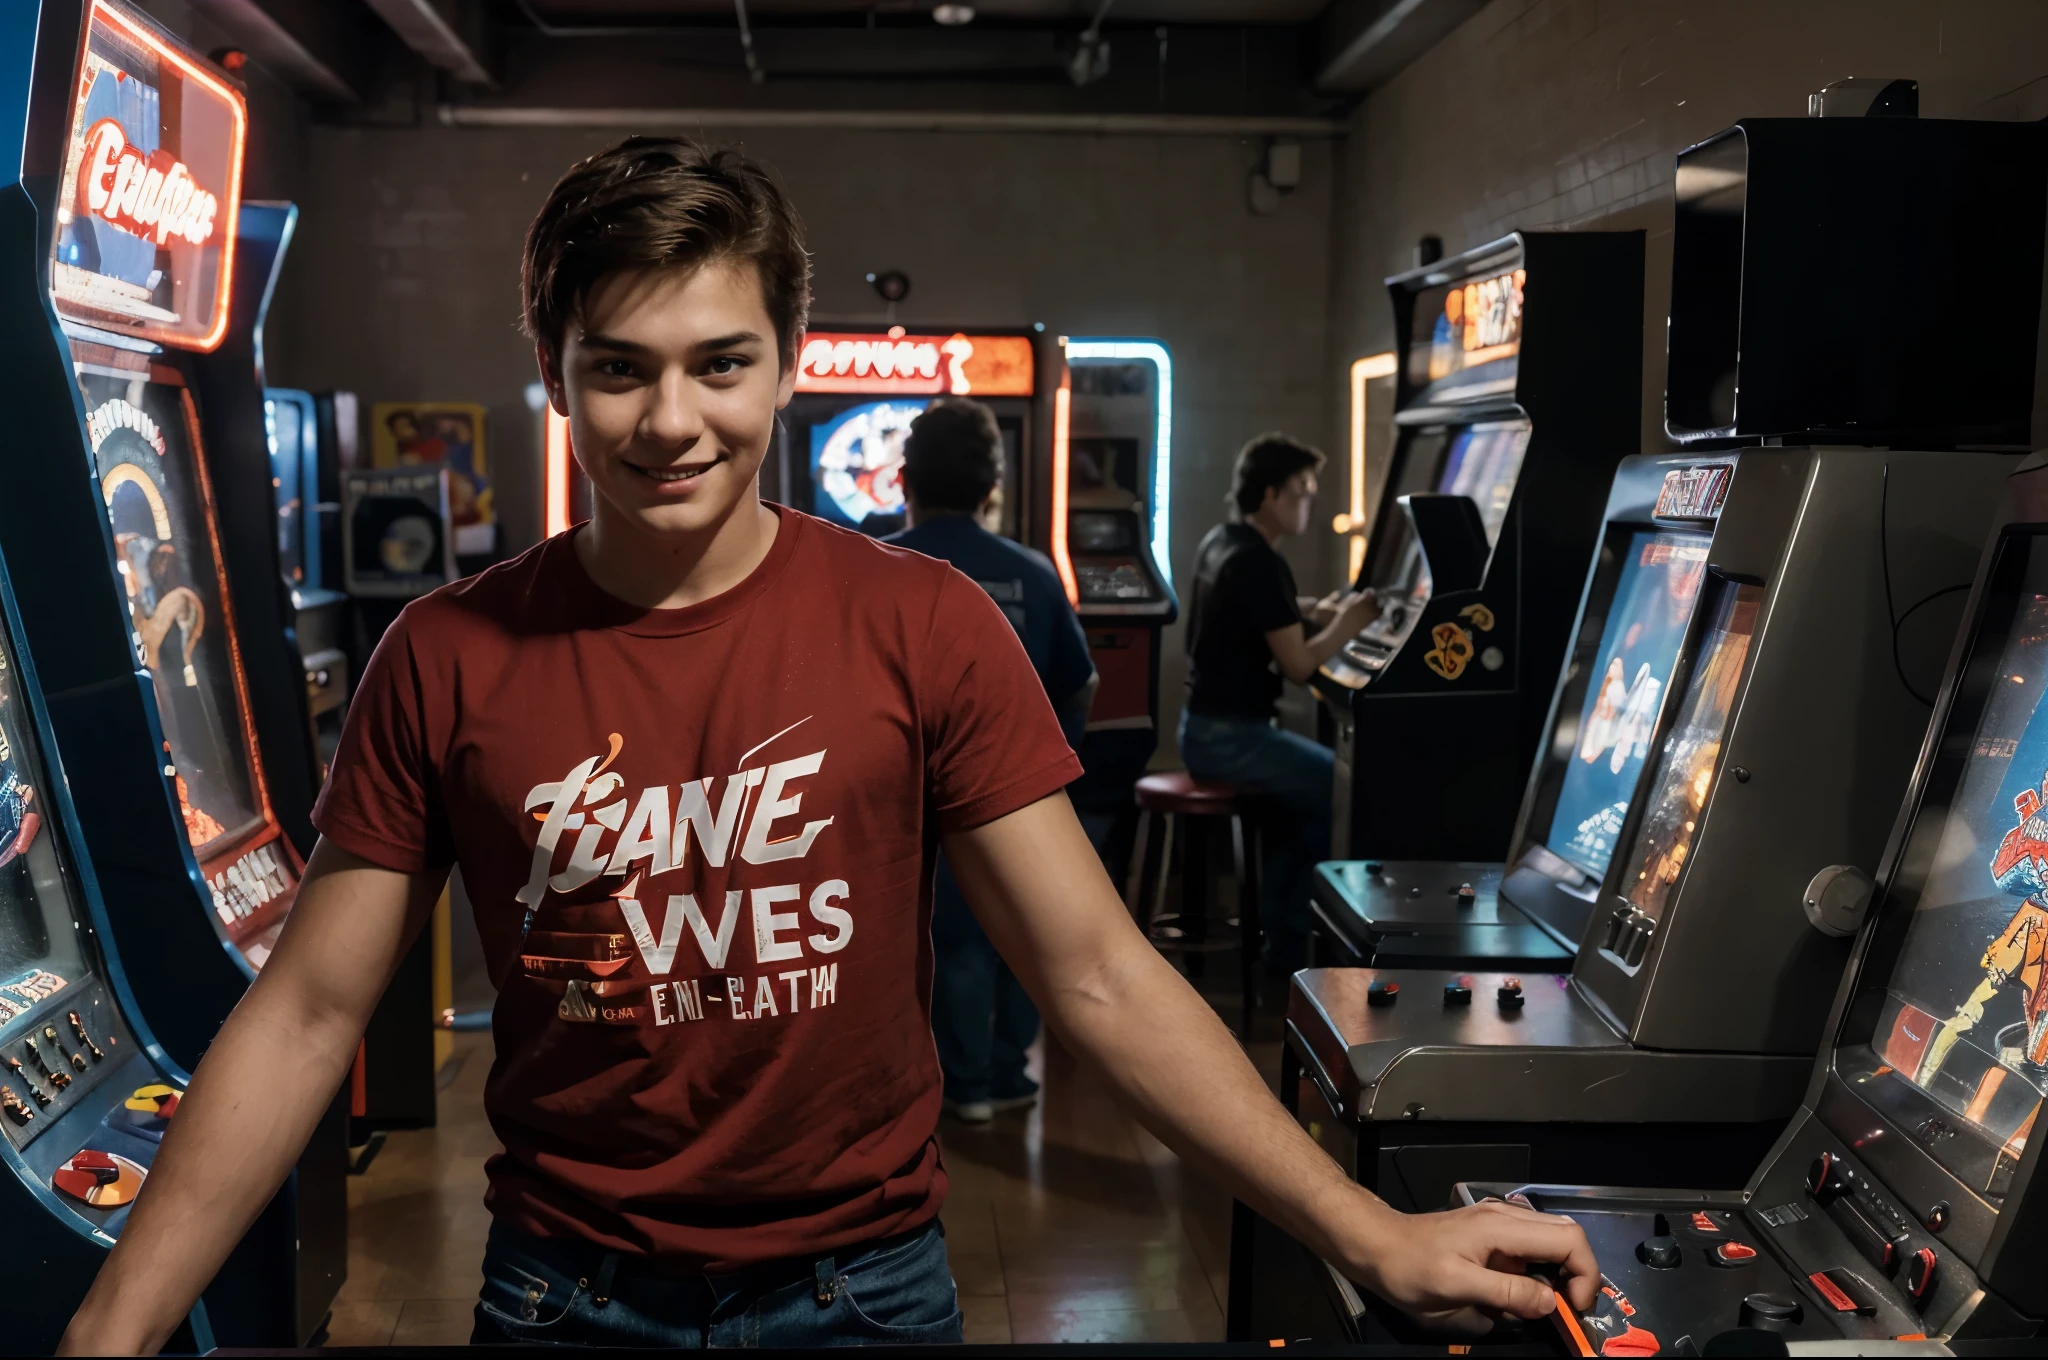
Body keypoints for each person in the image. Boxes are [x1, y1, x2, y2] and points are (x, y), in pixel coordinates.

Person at [57, 139, 1595, 1354]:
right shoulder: (445, 656)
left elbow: (1099, 974)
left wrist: (1364, 1230)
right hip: (564, 1299)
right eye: (620, 367)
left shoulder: (922, 626)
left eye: (719, 363)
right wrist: (110, 1328)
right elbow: (312, 1013)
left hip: (865, 1296)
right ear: (555, 371)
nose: (672, 420)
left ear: (789, 362)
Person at [886, 398, 1094, 1125]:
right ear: (991, 490)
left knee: (952, 943)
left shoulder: (873, 566)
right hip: (1013, 800)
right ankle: (1009, 1073)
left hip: (909, 806)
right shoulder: (1031, 573)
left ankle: (962, 1083)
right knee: (1016, 937)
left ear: (903, 479)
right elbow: (1081, 681)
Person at [1181, 433, 1379, 973]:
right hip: (1232, 738)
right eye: (1302, 491)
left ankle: (1282, 931)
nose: (1310, 502)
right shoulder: (1262, 563)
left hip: (1200, 728)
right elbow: (1297, 666)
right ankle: (1292, 943)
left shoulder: (1224, 540)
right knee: (1335, 787)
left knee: (1309, 793)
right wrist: (1348, 623)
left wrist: (1315, 610)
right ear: (1270, 495)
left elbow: (1262, 614)